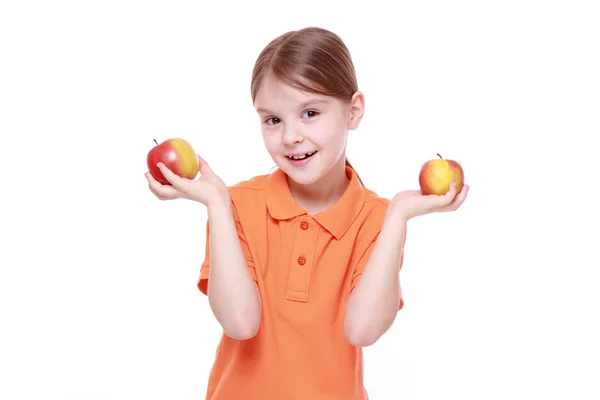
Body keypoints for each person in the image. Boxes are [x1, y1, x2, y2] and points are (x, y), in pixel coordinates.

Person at [145, 26, 469, 400]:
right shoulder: (238, 205)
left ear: (354, 110)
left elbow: (363, 330)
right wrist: (217, 205)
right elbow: (239, 322)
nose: (290, 136)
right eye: (272, 119)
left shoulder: (377, 219)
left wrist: (397, 215)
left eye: (310, 112)